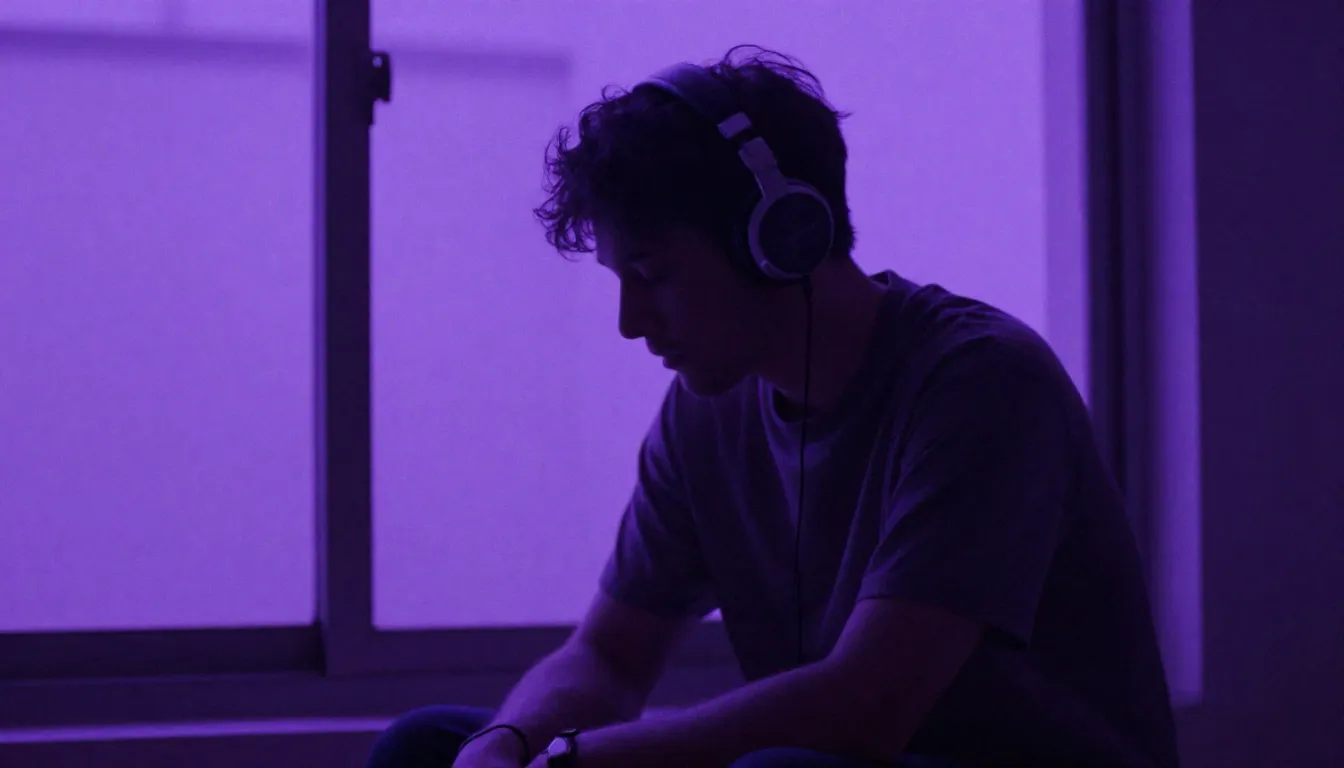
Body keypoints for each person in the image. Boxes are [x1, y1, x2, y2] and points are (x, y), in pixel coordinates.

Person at [368, 45, 1179, 768]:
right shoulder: (704, 413)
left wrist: (578, 762)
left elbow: (867, 707)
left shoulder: (982, 383)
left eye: (652, 276)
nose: (629, 324)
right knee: (431, 746)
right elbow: (610, 657)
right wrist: (510, 744)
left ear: (780, 237)